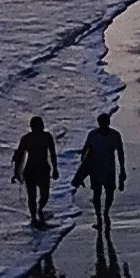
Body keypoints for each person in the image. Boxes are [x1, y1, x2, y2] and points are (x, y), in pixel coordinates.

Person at [71, 104, 126, 248]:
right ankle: (99, 218)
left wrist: (122, 171)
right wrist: (81, 172)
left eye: (105, 123)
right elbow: (85, 150)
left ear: (108, 123)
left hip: (109, 169)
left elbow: (120, 153)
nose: (103, 125)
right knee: (96, 194)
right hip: (95, 169)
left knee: (109, 194)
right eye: (101, 123)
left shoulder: (115, 135)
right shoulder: (92, 135)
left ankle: (106, 212)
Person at [12, 114, 58, 224]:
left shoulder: (47, 137)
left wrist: (55, 169)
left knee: (45, 195)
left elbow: (53, 154)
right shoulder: (26, 139)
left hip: (44, 169)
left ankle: (40, 209)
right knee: (31, 196)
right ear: (32, 127)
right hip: (30, 171)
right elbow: (19, 156)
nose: (41, 127)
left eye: (41, 125)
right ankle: (33, 217)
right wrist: (16, 172)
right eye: (39, 126)